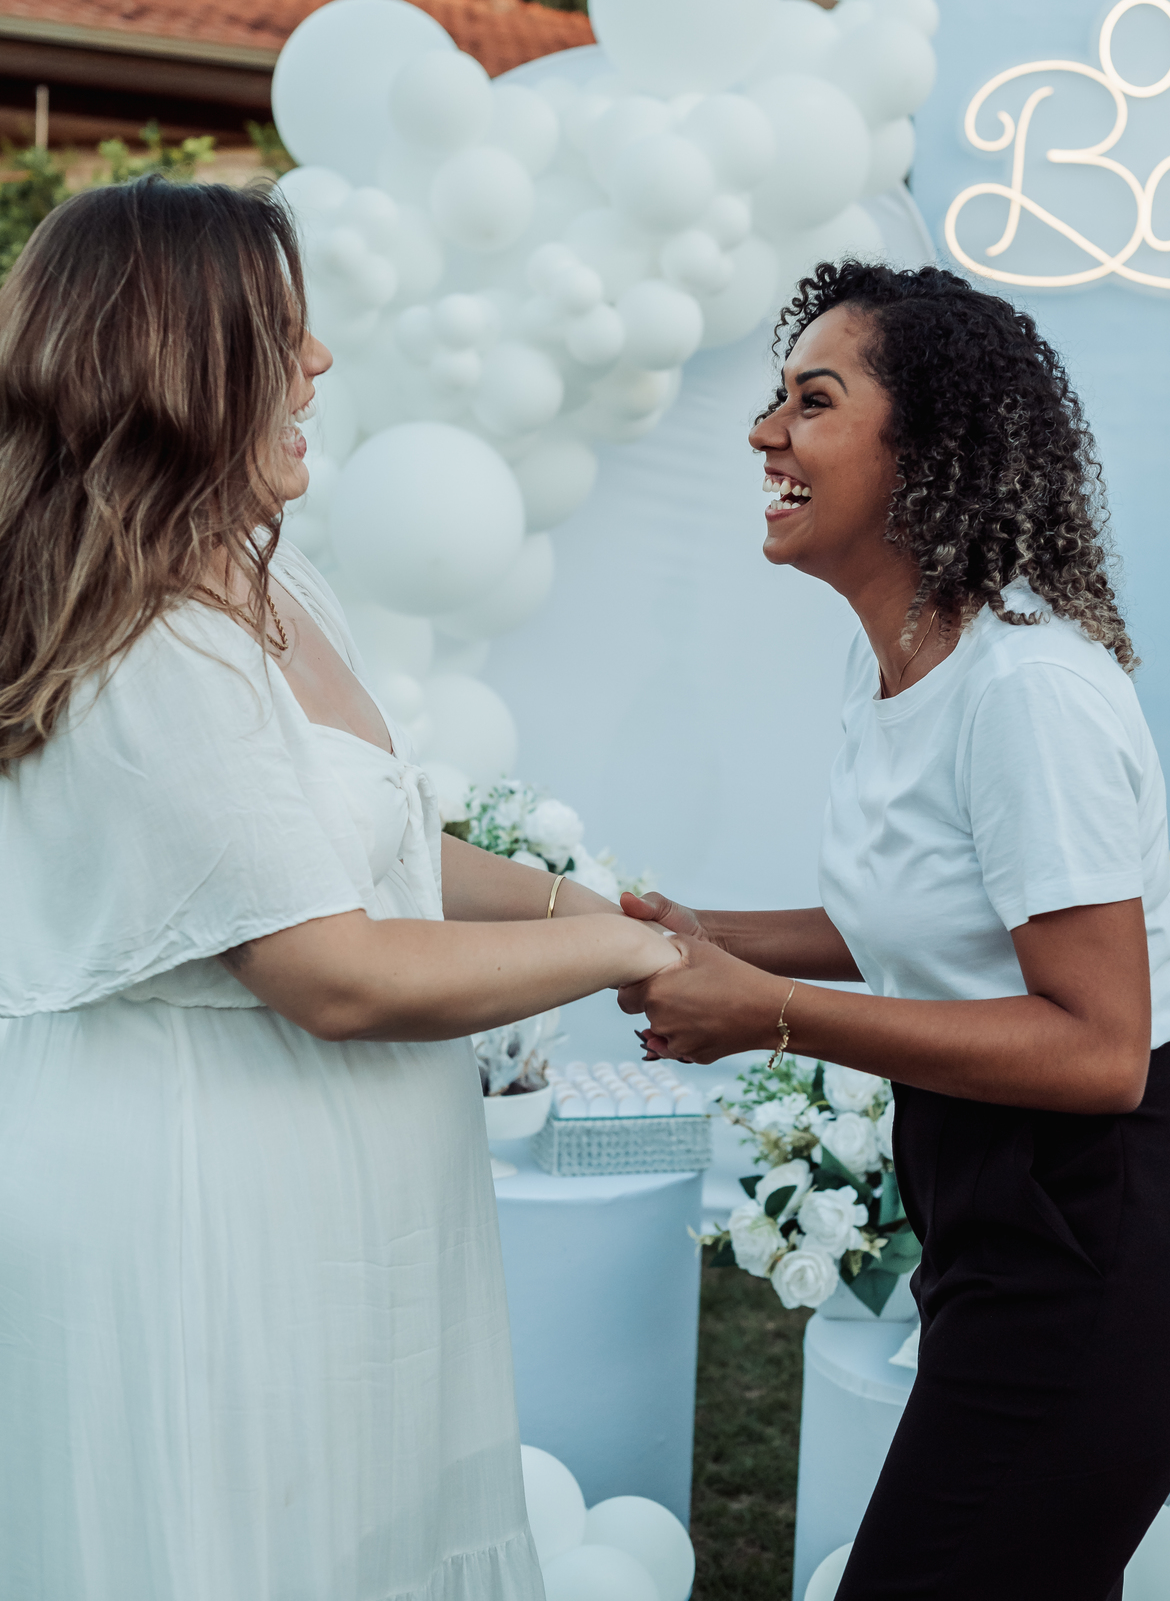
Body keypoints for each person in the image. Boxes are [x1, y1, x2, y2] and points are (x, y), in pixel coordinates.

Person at [0, 176, 679, 1601]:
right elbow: (336, 969)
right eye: (283, 333)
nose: (317, 361)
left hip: (331, 1193)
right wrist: (635, 959)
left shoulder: (272, 580)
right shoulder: (150, 645)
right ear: (184, 365)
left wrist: (582, 905)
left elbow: (372, 838)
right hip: (204, 1202)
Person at [618, 261, 1170, 1601]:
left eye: (812, 402)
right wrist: (708, 936)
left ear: (931, 446)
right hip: (994, 1197)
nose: (765, 433)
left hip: (1100, 1222)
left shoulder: (1027, 691)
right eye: (776, 399)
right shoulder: (898, 659)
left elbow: (1102, 1050)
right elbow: (912, 916)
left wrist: (764, 1012)